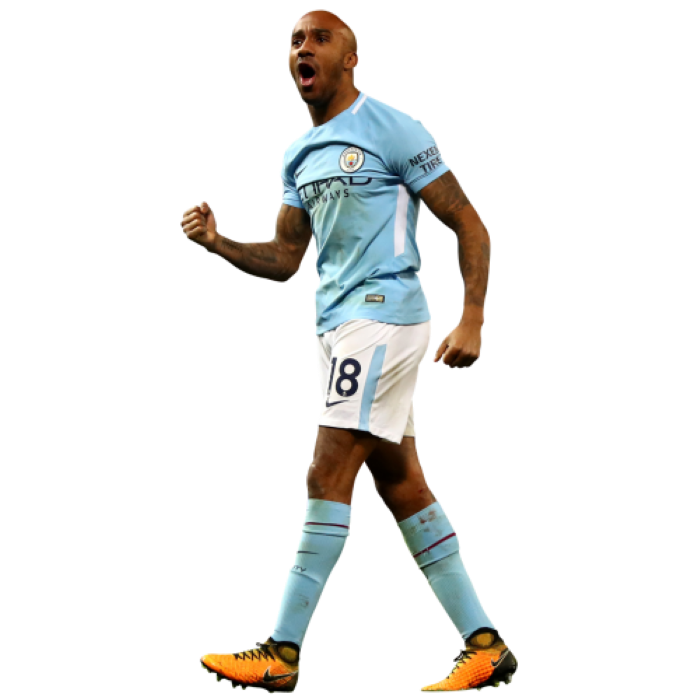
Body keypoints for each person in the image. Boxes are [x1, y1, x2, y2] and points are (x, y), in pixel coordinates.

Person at [184, 8, 515, 693]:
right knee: (401, 483)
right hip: (334, 329)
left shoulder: (393, 127)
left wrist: (473, 318)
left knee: (326, 470)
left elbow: (469, 221)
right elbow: (286, 258)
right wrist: (218, 243)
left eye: (320, 38)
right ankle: (485, 645)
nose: (303, 48)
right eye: (294, 40)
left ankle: (282, 650)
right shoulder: (297, 154)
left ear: (351, 57)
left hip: (385, 317)